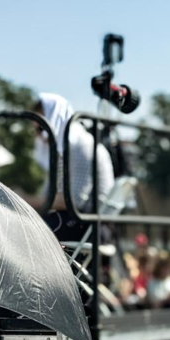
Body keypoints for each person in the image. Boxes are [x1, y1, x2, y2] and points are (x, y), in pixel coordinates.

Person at [34, 93, 115, 241]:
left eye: (40, 128)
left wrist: (25, 200)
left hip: (91, 225)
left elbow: (73, 202)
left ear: (55, 120)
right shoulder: (62, 150)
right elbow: (48, 194)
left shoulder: (81, 147)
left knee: (28, 234)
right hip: (75, 220)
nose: (39, 136)